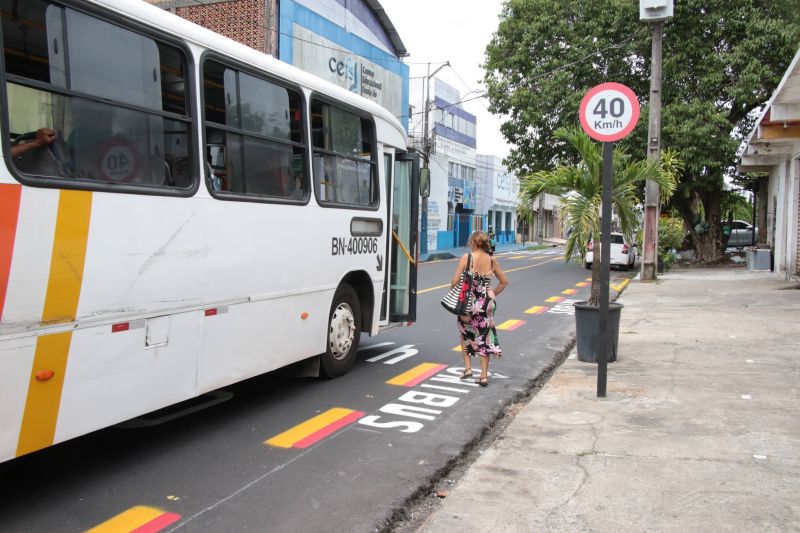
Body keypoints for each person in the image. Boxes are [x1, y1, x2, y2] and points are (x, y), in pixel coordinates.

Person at [450, 230, 509, 387]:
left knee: (465, 333)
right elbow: (504, 282)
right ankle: (483, 376)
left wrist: (456, 295)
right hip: (486, 301)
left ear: (473, 242)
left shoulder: (466, 258)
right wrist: (491, 294)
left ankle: (468, 368)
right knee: (484, 335)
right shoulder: (491, 260)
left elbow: (455, 281)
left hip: (468, 301)